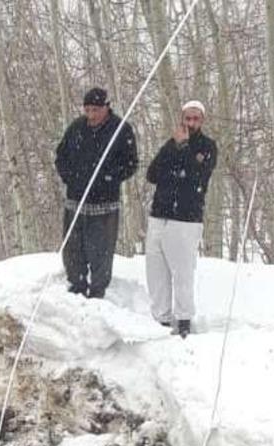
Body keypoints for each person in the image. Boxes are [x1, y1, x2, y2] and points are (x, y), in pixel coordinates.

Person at [54, 87, 139, 298]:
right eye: (87, 110)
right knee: (73, 249)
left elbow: (130, 164)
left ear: (106, 108)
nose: (91, 115)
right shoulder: (76, 128)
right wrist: (70, 177)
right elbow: (61, 156)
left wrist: (108, 178)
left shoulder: (121, 130)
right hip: (76, 200)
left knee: (101, 250)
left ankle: (98, 290)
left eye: (95, 110)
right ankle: (76, 285)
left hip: (104, 204)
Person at [145, 100, 217, 339]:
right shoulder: (171, 144)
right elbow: (152, 174)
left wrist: (185, 148)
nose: (191, 123)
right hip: (159, 215)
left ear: (202, 120)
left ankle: (184, 321)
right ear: (181, 118)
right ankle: (161, 319)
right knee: (156, 273)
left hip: (186, 219)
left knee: (183, 273)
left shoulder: (207, 147)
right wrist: (174, 147)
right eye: (188, 118)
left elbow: (197, 177)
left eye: (196, 119)